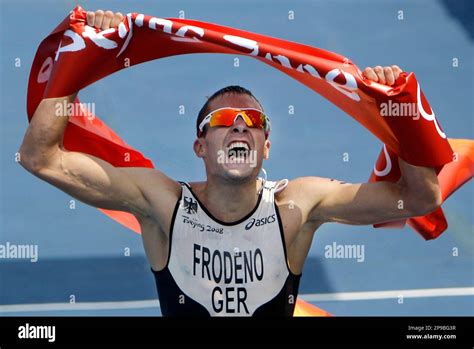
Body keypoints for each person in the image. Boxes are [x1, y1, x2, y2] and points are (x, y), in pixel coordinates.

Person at [19, 10, 441, 316]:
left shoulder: (297, 206)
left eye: (253, 121)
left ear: (267, 147)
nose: (240, 127)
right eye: (222, 121)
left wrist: (399, 112)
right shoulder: (162, 205)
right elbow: (42, 159)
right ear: (199, 146)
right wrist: (82, 63)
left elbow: (420, 198)